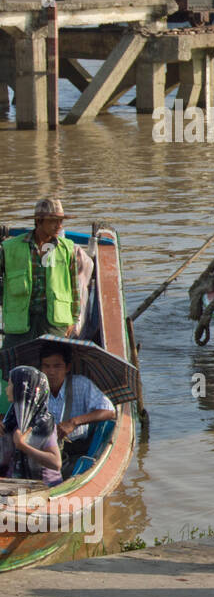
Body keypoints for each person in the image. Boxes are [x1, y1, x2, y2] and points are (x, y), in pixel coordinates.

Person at [1, 198, 80, 349]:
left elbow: (74, 286)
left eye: (61, 221)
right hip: (20, 320)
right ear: (39, 221)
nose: (59, 226)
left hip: (54, 321)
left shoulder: (66, 249)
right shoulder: (10, 248)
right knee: (9, 364)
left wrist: (73, 319)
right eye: (53, 221)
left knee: (53, 363)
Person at [37, 344, 115, 477]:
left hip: (75, 449)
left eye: (57, 366)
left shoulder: (81, 384)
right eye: (46, 366)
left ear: (67, 367)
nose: (51, 372)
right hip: (42, 451)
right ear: (41, 368)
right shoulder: (36, 389)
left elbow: (109, 411)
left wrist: (74, 422)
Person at [0, 366, 61, 484]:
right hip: (13, 483)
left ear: (20, 389)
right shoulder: (12, 418)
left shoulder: (44, 422)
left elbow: (56, 463)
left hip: (43, 486)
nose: (6, 390)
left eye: (10, 385)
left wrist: (23, 446)